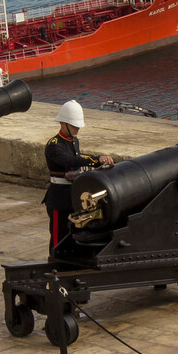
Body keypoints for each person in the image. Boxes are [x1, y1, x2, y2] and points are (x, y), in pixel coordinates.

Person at [42, 100, 114, 257]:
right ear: (63, 123)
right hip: (58, 198)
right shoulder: (54, 145)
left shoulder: (74, 141)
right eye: (74, 125)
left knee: (72, 233)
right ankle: (55, 263)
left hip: (72, 196)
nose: (77, 129)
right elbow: (70, 161)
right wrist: (95, 160)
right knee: (58, 238)